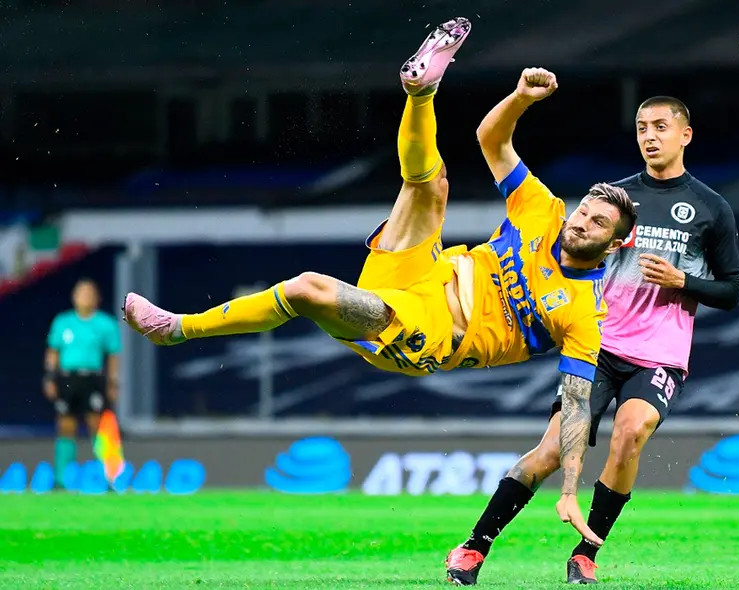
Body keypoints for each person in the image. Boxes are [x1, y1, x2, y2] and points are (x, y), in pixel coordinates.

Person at [121, 19, 636, 542]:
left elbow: (575, 405)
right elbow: (490, 138)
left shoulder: (583, 311)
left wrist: (570, 488)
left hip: (429, 334)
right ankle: (421, 90)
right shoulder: (542, 211)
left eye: (597, 223)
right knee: (431, 184)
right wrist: (521, 98)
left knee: (305, 288)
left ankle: (178, 328)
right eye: (584, 210)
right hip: (421, 274)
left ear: (614, 245)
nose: (580, 221)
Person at [445, 88, 739, 586]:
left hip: (660, 356)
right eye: (642, 128)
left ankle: (586, 552)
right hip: (598, 347)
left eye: (660, 127)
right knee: (551, 452)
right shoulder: (614, 200)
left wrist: (683, 282)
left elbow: (732, 291)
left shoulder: (712, 209)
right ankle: (475, 546)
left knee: (630, 434)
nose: (649, 136)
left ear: (685, 135)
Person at [44, 278, 122, 489]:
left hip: (92, 378)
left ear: (97, 298)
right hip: (68, 378)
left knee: (97, 426)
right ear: (74, 297)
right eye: (81, 293)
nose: (85, 297)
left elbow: (113, 356)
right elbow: (53, 352)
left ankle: (108, 479)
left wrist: (113, 382)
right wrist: (50, 377)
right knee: (65, 425)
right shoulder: (63, 322)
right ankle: (61, 480)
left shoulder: (106, 324)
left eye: (89, 293)